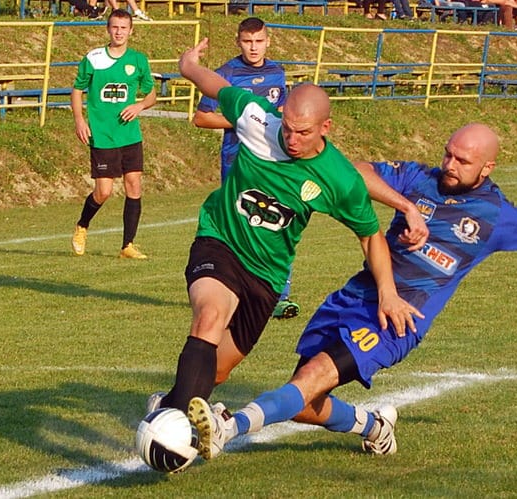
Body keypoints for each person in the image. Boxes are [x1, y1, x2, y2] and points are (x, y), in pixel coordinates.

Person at [186, 123, 517, 459]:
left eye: (463, 161)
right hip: (354, 297)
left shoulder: (498, 218)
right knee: (304, 400)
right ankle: (371, 425)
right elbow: (352, 171)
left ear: (486, 168)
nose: (450, 164)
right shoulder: (416, 177)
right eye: (448, 152)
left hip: (399, 318)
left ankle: (232, 426)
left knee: (314, 375)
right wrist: (405, 204)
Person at [148, 38, 424, 442]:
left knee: (218, 372)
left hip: (267, 277)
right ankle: (171, 432)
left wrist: (387, 291)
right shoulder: (257, 119)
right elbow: (217, 87)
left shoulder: (340, 179)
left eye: (303, 133)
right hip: (220, 242)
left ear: (325, 128)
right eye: (288, 127)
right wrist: (188, 65)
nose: (291, 139)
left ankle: (168, 403)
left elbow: (370, 237)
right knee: (209, 317)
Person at [192, 17, 294, 319]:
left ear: (268, 41)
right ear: (239, 41)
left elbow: (281, 114)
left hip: (271, 164)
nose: (253, 47)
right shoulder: (226, 74)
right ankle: (232, 291)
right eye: (248, 41)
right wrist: (244, 122)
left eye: (259, 41)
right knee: (241, 228)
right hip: (237, 163)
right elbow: (202, 118)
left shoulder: (277, 73)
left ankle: (278, 295)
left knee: (278, 223)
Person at [71, 9, 157, 259]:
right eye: (114, 27)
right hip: (103, 134)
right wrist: (79, 120)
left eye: (123, 27)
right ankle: (82, 225)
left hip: (130, 135)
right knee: (104, 191)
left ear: (131, 30)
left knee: (134, 185)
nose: (119, 32)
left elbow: (151, 94)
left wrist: (140, 105)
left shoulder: (138, 60)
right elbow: (77, 90)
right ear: (108, 29)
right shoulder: (94, 58)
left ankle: (127, 245)